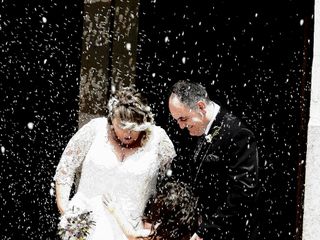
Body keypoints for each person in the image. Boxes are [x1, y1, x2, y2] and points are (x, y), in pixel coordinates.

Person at [54, 86, 176, 240]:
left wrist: (151, 225)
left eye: (134, 128)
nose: (128, 134)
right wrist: (67, 214)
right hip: (85, 226)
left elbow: (165, 189)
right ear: (112, 120)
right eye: (122, 126)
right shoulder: (95, 129)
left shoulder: (159, 141)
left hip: (130, 230)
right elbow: (65, 170)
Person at [168, 80, 261, 240]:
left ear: (201, 107)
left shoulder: (238, 133)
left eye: (183, 119)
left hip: (229, 233)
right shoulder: (199, 129)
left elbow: (243, 191)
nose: (181, 126)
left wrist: (207, 230)